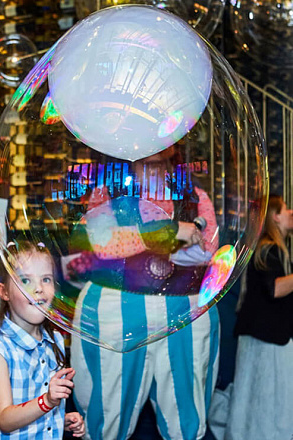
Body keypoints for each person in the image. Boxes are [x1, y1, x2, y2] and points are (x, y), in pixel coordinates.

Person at [66, 147, 220, 440]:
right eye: (145, 161)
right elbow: (102, 243)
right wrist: (169, 232)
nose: (153, 166)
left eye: (160, 159)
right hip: (116, 310)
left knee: (186, 412)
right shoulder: (106, 193)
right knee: (107, 408)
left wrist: (139, 241)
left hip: (185, 311)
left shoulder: (195, 196)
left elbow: (208, 249)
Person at [0, 241, 86, 439]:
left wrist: (60, 419)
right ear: (4, 292)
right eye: (26, 280)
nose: (39, 288)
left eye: (46, 279)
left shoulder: (55, 341)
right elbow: (5, 419)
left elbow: (35, 409)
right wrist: (47, 402)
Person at [225, 195, 293, 440]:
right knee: (267, 397)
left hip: (267, 335)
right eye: (285, 209)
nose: (291, 212)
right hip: (266, 337)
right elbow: (274, 288)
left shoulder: (273, 249)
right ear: (275, 217)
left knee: (256, 396)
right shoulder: (267, 248)